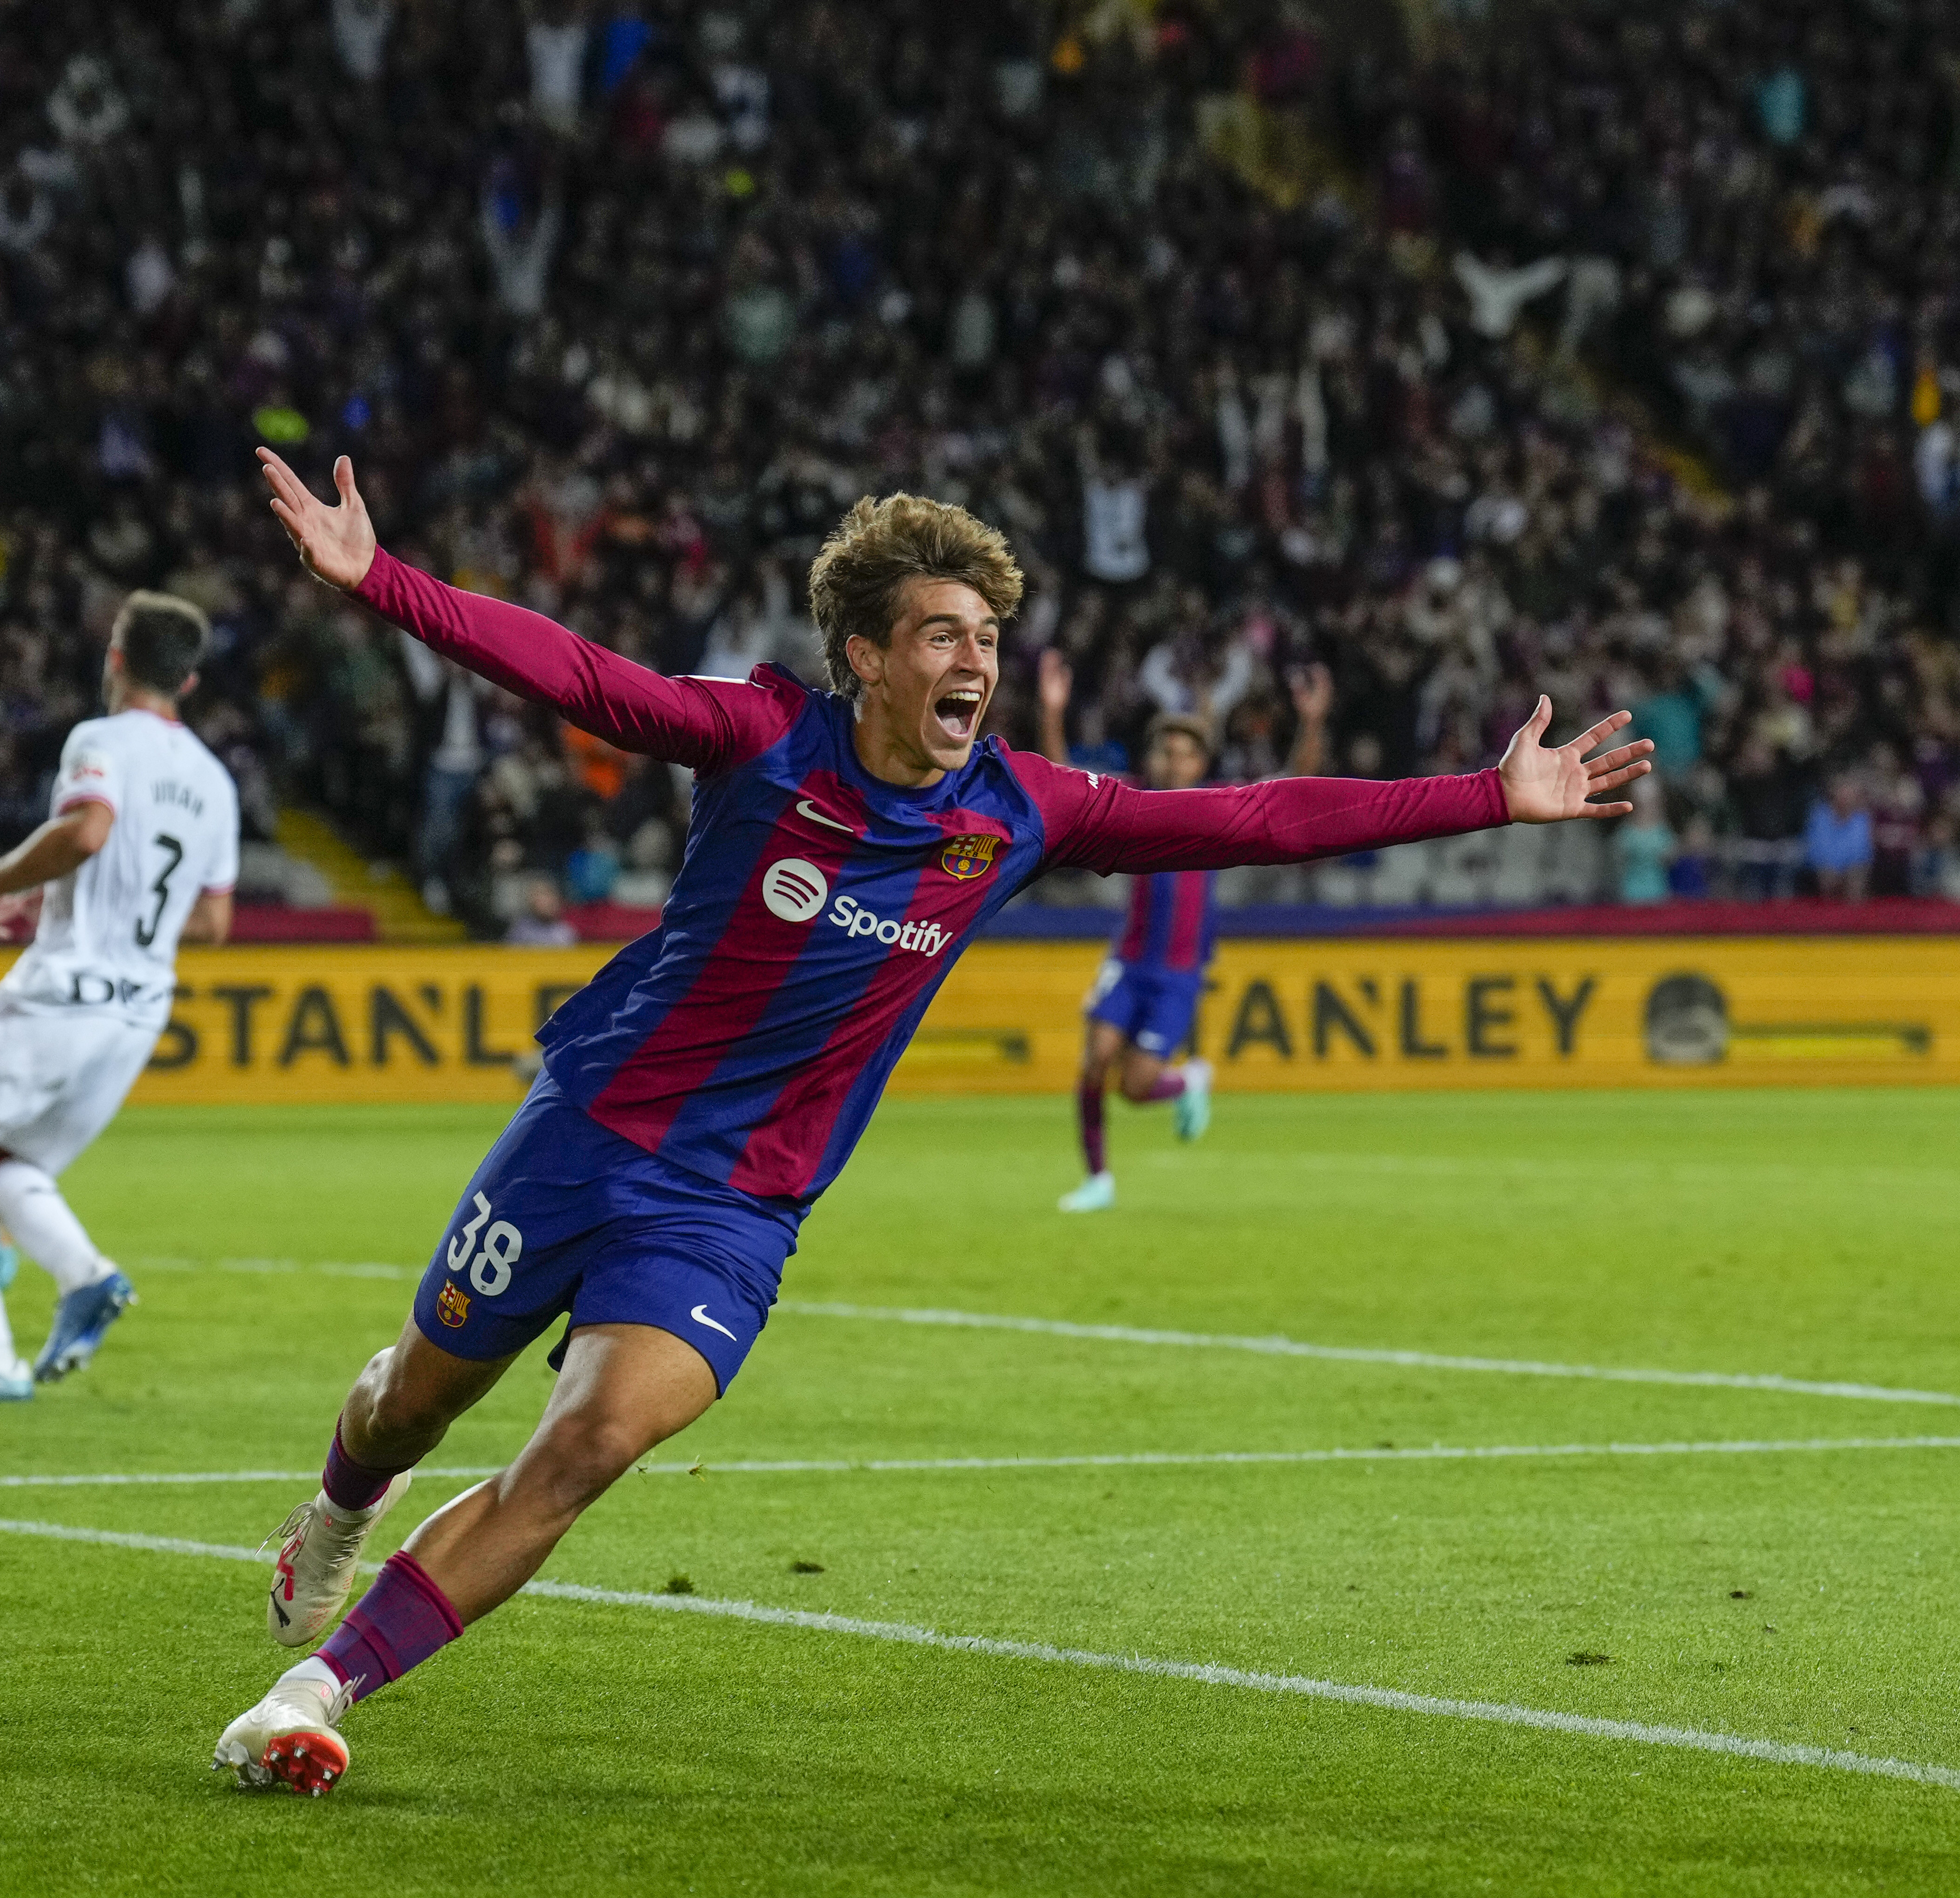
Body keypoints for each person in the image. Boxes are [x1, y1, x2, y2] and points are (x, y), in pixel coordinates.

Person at [216, 451, 1651, 1794]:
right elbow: (586, 679)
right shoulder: (762, 742)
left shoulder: (1016, 811)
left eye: (983, 636)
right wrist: (378, 579)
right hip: (587, 1131)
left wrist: (1485, 794)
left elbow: (1251, 816)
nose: (974, 661)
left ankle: (315, 1696)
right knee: (414, 1396)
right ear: (864, 654)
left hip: (734, 1209)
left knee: (586, 1444)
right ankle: (336, 1519)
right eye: (941, 635)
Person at [0, 590, 240, 1403]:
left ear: (116, 658)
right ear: (187, 683)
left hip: (68, 989)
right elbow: (213, 920)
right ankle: (86, 1277)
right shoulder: (216, 781)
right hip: (139, 1009)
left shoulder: (100, 738)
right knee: (10, 1166)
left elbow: (87, 828)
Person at [1037, 649, 1330, 1211]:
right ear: (1153, 755)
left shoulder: (1221, 810)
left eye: (1184, 751)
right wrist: (1052, 712)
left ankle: (1187, 1080)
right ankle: (1098, 1178)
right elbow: (1063, 784)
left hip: (1177, 974)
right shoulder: (1131, 802)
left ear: (1201, 762)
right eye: (1165, 749)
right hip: (1128, 960)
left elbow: (1296, 785)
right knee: (1096, 1057)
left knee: (1136, 1087)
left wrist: (1311, 721)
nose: (1173, 760)